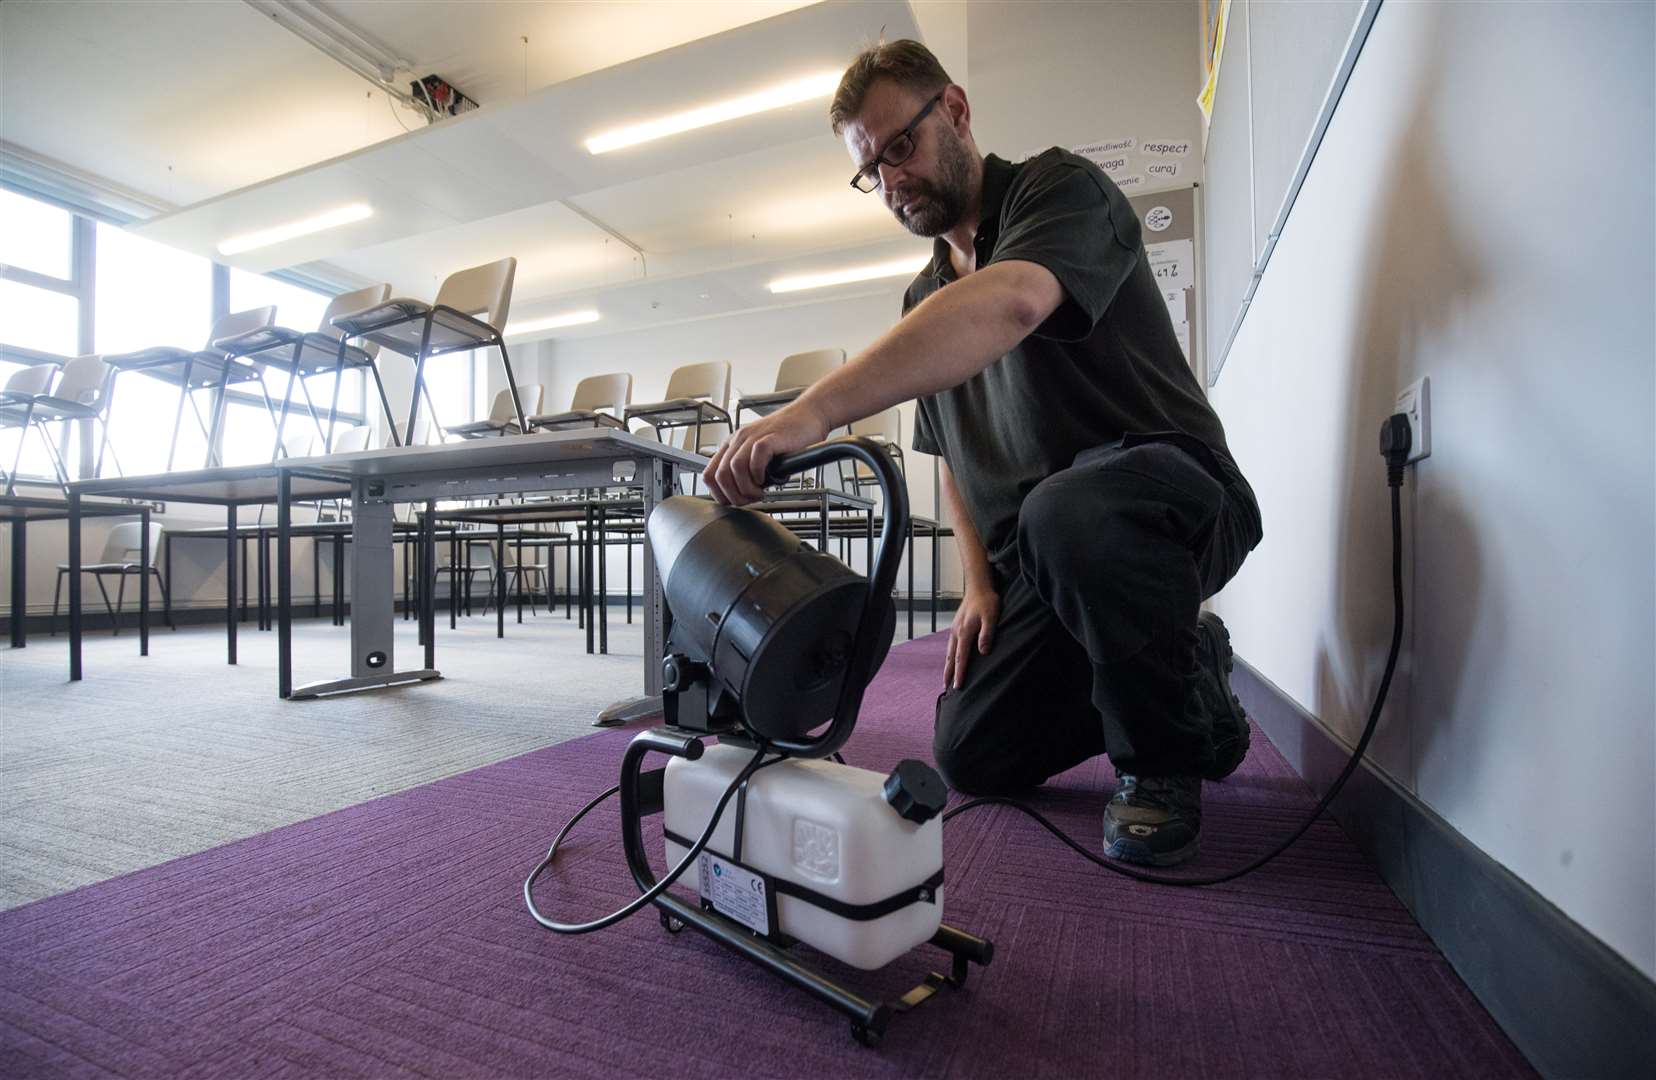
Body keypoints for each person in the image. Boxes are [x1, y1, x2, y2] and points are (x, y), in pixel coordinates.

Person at [704, 40, 1263, 867]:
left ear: (956, 112)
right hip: (1049, 559)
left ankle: (1161, 764)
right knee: (971, 753)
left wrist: (815, 410)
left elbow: (1011, 303)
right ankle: (1188, 672)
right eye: (873, 171)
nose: (892, 182)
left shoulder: (1059, 190)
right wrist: (977, 581)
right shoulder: (922, 299)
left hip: (1172, 504)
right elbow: (950, 460)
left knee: (1065, 511)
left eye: (902, 147)